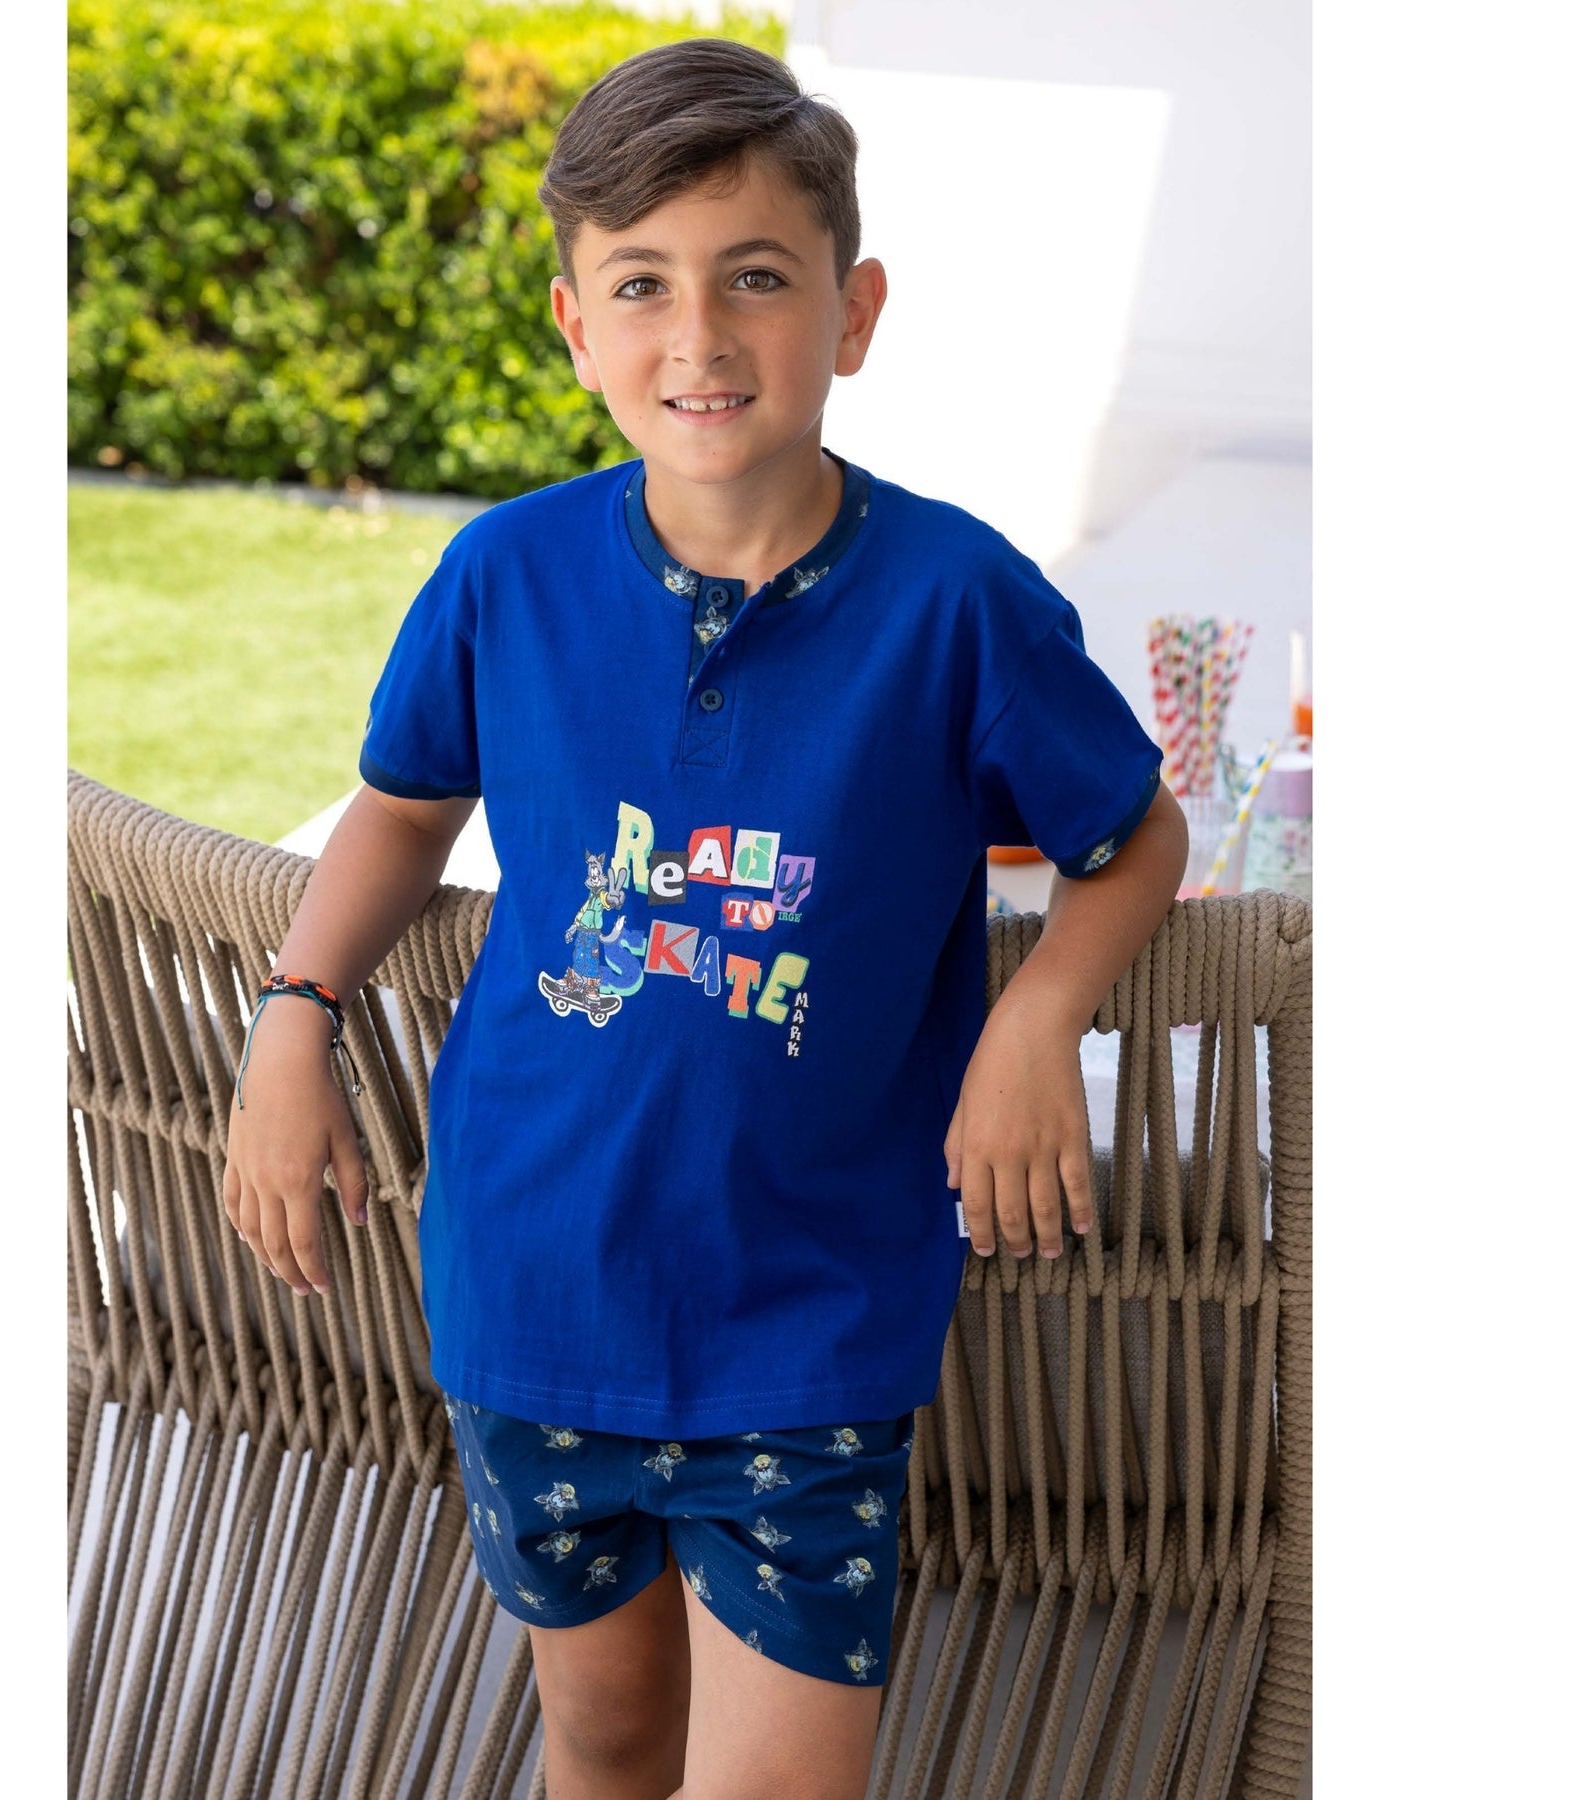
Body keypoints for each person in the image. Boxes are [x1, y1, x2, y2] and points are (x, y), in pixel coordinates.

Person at [222, 36, 1188, 1800]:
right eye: (642, 286)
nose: (700, 338)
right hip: (532, 1284)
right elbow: (405, 807)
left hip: (809, 1316)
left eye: (756, 278)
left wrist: (1038, 1012)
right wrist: (296, 1019)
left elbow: (1133, 835)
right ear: (574, 327)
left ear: (853, 311)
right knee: (603, 1735)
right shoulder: (503, 573)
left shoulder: (962, 602)